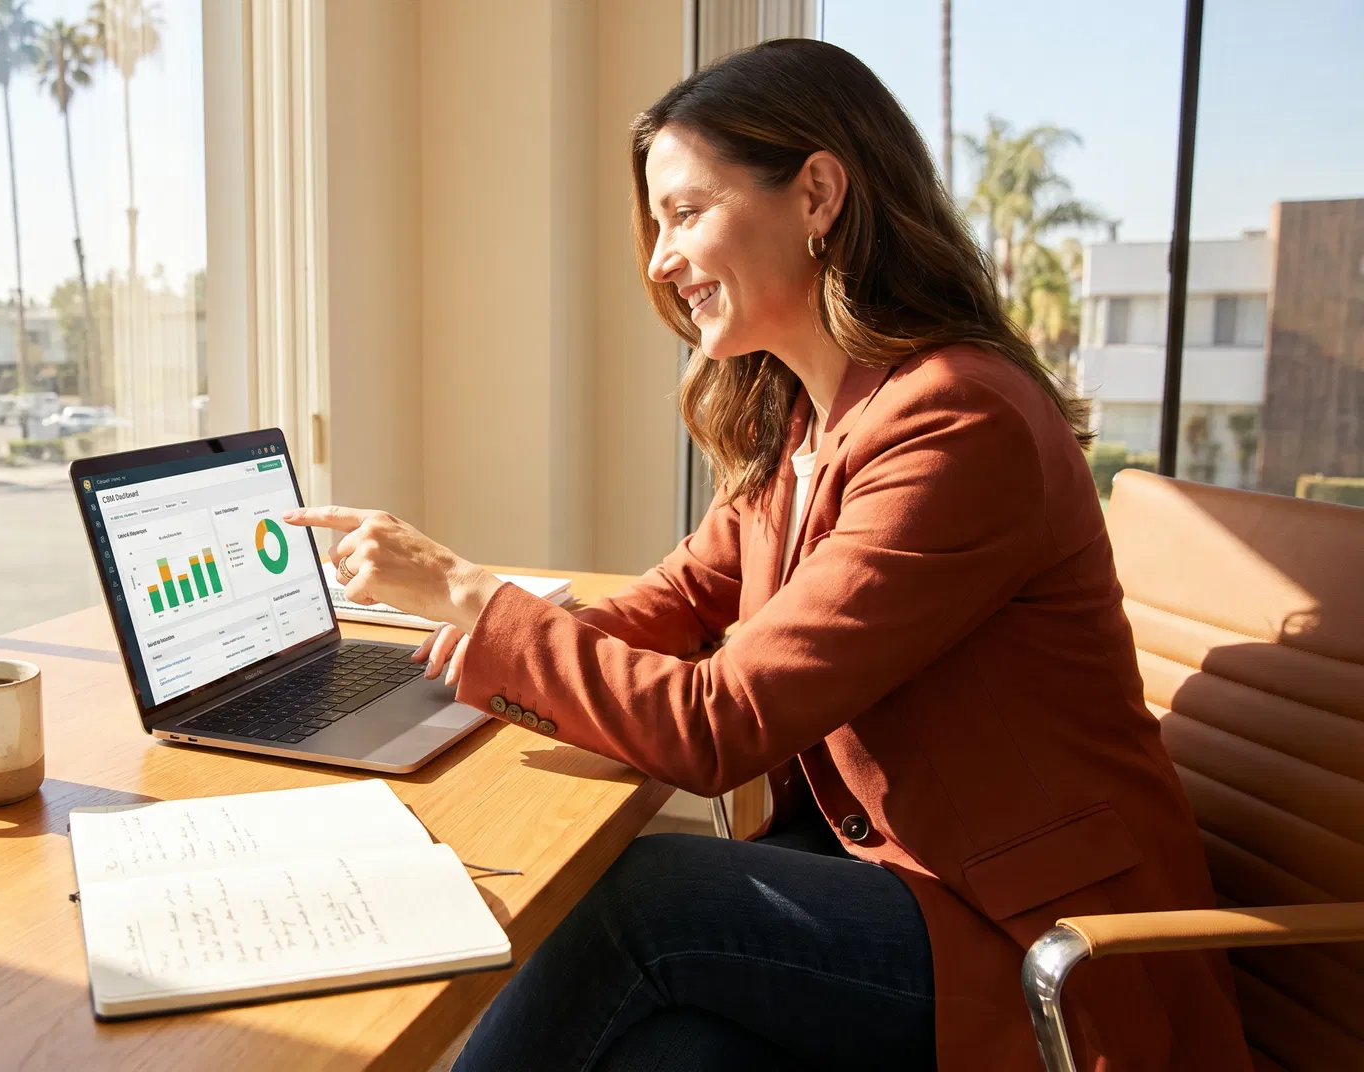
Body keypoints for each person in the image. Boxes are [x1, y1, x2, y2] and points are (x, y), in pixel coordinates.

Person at [284, 39, 1246, 1072]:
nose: (657, 261)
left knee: (643, 902)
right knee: (669, 1055)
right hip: (898, 881)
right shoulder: (804, 423)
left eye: (686, 215)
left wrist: (478, 599)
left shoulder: (957, 422)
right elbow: (671, 604)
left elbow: (719, 724)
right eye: (656, 227)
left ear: (819, 192)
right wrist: (445, 664)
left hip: (1034, 939)